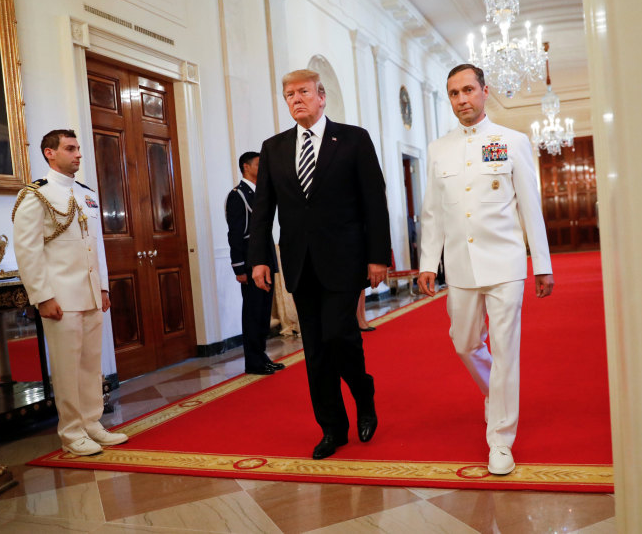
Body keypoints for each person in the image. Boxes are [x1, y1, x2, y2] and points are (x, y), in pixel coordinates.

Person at [417, 64, 554, 475]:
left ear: (484, 91)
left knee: (506, 351)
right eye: (454, 93)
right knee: (463, 343)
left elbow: (531, 206)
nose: (462, 100)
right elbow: (433, 212)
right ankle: (496, 395)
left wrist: (542, 264)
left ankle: (501, 440)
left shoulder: (512, 142)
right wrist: (428, 262)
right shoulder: (439, 148)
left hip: (506, 263)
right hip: (459, 265)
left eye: (468, 90)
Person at [249, 69, 391, 460]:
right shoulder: (274, 148)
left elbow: (373, 201)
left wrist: (378, 256)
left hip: (346, 259)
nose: (297, 99)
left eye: (304, 92)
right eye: (289, 94)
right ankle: (332, 428)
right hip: (299, 263)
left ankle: (363, 391)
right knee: (315, 349)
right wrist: (259, 258)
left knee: (338, 335)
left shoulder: (353, 139)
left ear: (321, 97)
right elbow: (263, 211)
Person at [12, 129, 127, 456]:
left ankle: (92, 424)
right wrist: (42, 296)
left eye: (78, 149)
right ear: (50, 153)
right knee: (66, 367)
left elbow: (97, 246)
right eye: (70, 149)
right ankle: (71, 432)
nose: (78, 155)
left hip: (90, 294)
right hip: (61, 298)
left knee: (91, 365)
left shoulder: (86, 193)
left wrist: (102, 287)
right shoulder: (35, 195)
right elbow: (28, 251)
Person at [225, 151, 285, 375]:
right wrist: (239, 267)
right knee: (253, 313)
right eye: (259, 164)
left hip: (265, 260)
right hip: (250, 265)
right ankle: (253, 361)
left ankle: (261, 356)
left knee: (263, 314)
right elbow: (235, 234)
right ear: (246, 167)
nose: (263, 167)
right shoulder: (238, 196)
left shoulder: (259, 193)